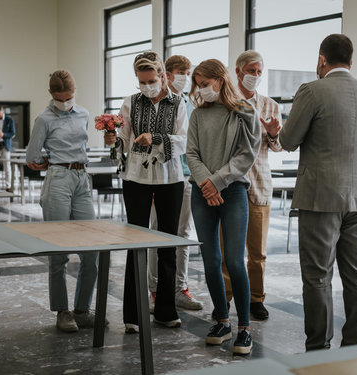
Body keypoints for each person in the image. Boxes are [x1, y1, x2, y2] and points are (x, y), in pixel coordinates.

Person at [278, 34, 357, 351]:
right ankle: (356, 343)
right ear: (351, 62)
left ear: (321, 60)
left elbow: (288, 140)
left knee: (317, 275)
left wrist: (278, 129)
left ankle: (318, 347)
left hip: (321, 196)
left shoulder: (312, 91)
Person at [104, 51, 187, 333]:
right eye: (141, 82)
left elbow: (185, 140)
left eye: (151, 80)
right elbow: (123, 142)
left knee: (167, 245)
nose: (147, 86)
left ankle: (166, 310)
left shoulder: (178, 103)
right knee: (135, 245)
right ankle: (133, 315)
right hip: (136, 178)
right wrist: (113, 139)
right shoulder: (130, 102)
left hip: (170, 178)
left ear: (163, 76)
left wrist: (157, 138)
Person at [187, 59, 261, 354]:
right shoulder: (197, 115)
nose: (201, 90)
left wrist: (217, 182)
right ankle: (221, 319)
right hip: (202, 192)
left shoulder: (244, 111)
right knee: (209, 259)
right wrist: (207, 184)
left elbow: (247, 155)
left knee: (233, 260)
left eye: (205, 84)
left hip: (232, 192)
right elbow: (191, 155)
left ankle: (244, 327)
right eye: (198, 86)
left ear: (220, 80)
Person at [26, 70, 101, 333]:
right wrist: (51, 163)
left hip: (82, 178)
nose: (65, 102)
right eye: (60, 98)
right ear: (51, 96)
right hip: (57, 178)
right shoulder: (43, 119)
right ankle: (62, 312)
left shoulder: (84, 114)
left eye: (69, 97)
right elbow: (32, 157)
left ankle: (82, 310)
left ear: (74, 92)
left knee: (91, 250)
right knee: (58, 252)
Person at [217, 50, 282, 321]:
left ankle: (257, 298)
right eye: (251, 71)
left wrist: (275, 133)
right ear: (238, 71)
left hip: (258, 183)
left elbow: (278, 146)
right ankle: (225, 298)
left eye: (259, 71)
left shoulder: (269, 105)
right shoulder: (225, 104)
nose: (255, 76)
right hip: (230, 182)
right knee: (228, 250)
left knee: (258, 251)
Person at [147, 55, 203, 311]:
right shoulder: (157, 101)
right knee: (156, 233)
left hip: (187, 176)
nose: (185, 76)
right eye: (181, 71)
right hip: (162, 176)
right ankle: (156, 290)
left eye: (187, 72)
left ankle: (180, 288)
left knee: (183, 235)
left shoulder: (191, 104)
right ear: (167, 74)